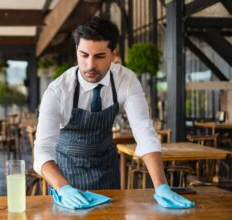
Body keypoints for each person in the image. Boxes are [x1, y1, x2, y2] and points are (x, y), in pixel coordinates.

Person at [33, 17, 194, 209]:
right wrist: (63, 188)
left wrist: (161, 186)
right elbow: (42, 150)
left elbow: (144, 132)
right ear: (76, 50)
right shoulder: (58, 91)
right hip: (66, 174)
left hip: (107, 169)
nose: (89, 65)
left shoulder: (125, 80)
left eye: (99, 56)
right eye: (83, 55)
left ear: (113, 53)